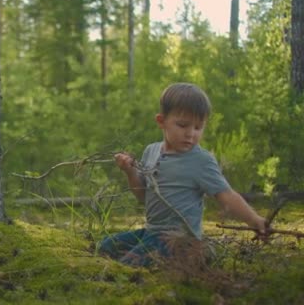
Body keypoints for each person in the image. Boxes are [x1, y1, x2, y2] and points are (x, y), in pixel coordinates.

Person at [98, 82, 268, 267]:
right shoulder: (151, 151)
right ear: (161, 121)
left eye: (198, 127)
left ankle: (197, 255)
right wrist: (130, 171)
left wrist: (254, 220)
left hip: (178, 240)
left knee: (128, 264)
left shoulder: (201, 161)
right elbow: (142, 196)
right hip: (151, 232)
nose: (190, 134)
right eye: (182, 125)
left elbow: (226, 196)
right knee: (105, 247)